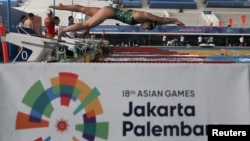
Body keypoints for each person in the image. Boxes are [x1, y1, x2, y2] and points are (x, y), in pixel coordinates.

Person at [49, 3, 185, 41]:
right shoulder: (143, 15)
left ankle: (61, 6)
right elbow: (160, 20)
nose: (144, 29)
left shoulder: (142, 19)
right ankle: (62, 30)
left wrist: (174, 21)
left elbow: (159, 22)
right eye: (147, 28)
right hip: (109, 12)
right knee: (87, 24)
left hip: (108, 11)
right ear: (148, 23)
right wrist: (175, 20)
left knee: (82, 9)